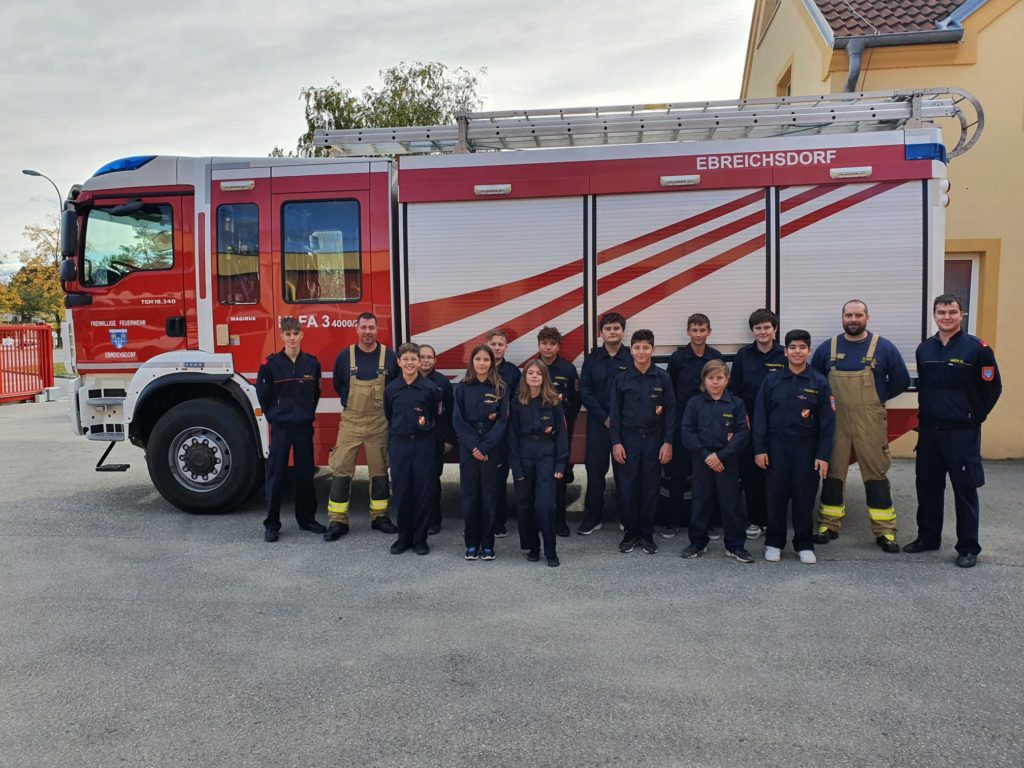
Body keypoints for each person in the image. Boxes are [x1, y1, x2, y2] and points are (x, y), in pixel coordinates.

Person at [905, 294, 1002, 568]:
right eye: (941, 312)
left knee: (965, 489)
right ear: (934, 315)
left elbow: (992, 388)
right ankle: (928, 538)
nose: (946, 317)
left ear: (962, 315)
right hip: (930, 432)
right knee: (927, 487)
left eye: (952, 312)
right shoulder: (925, 349)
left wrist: (974, 416)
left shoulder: (977, 349)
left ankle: (968, 547)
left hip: (961, 433)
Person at [810, 300, 910, 552]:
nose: (853, 319)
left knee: (875, 474)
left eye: (858, 315)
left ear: (867, 317)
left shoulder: (884, 347)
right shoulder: (827, 348)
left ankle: (885, 531)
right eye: (849, 315)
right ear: (842, 317)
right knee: (833, 472)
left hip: (870, 420)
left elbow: (901, 380)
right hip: (836, 419)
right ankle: (828, 525)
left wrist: (878, 398)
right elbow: (813, 381)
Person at [754, 329, 835, 564]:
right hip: (776, 448)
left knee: (804, 498)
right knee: (775, 497)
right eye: (792, 347)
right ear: (785, 351)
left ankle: (804, 544)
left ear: (809, 351)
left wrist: (823, 455)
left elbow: (828, 422)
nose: (797, 351)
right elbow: (760, 416)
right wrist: (760, 449)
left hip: (806, 449)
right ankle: (774, 543)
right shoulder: (772, 381)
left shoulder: (819, 382)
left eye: (802, 347)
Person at [325, 312, 400, 541]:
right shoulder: (344, 357)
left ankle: (380, 517)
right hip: (351, 421)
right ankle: (337, 521)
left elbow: (395, 389)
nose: (368, 332)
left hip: (379, 421)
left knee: (379, 471)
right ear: (356, 329)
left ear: (377, 330)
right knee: (341, 468)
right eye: (364, 328)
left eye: (371, 328)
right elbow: (338, 385)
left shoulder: (389, 357)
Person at [255, 317, 325, 542]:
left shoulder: (312, 364)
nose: (292, 338)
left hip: (303, 427)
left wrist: (305, 413)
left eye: (296, 333)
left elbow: (315, 394)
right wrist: (275, 417)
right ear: (282, 336)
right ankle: (272, 525)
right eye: (288, 334)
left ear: (302, 334)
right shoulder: (270, 365)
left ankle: (307, 520)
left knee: (305, 475)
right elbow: (263, 396)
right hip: (281, 428)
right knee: (276, 475)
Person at [680, 360, 753, 563]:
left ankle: (735, 546)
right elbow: (687, 432)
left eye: (719, 378)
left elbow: (742, 433)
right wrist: (706, 456)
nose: (715, 382)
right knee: (700, 503)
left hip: (727, 461)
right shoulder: (694, 403)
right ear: (704, 380)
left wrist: (720, 456)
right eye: (711, 378)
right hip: (702, 461)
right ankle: (697, 543)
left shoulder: (736, 404)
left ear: (727, 380)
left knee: (731, 504)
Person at [610, 329, 676, 555]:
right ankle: (630, 533)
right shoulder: (621, 379)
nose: (641, 352)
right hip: (628, 440)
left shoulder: (663, 378)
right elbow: (615, 414)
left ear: (653, 349)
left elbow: (671, 413)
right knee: (627, 488)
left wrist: (668, 442)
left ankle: (647, 534)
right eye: (637, 348)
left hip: (654, 440)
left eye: (646, 347)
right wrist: (616, 442)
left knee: (650, 488)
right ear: (631, 350)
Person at [665, 313, 725, 539]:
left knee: (707, 476)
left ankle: (709, 523)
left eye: (702, 330)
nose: (698, 334)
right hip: (683, 423)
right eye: (694, 330)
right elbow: (670, 392)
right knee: (678, 475)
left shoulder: (716, 357)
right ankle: (673, 522)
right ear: (688, 332)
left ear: (709, 332)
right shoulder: (678, 358)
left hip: (709, 423)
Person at [729, 309, 786, 540]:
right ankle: (757, 521)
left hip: (778, 425)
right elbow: (735, 391)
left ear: (775, 329)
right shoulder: (743, 356)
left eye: (766, 327)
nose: (762, 332)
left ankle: (775, 521)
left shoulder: (785, 355)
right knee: (751, 474)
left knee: (777, 475)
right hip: (750, 424)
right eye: (758, 328)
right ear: (752, 331)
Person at [509, 359, 570, 567]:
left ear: (544, 377)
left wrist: (560, 464)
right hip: (524, 455)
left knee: (546, 505)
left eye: (538, 373)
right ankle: (533, 547)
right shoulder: (516, 402)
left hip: (546, 455)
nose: (534, 376)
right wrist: (516, 467)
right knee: (525, 505)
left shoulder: (553, 402)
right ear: (524, 377)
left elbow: (561, 434)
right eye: (530, 373)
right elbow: (512, 436)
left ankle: (551, 551)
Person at [453, 344, 509, 561]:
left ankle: (487, 544)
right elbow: (457, 420)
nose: (482, 363)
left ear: (492, 363)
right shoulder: (462, 388)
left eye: (486, 360)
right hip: (469, 446)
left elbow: (503, 421)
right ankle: (471, 544)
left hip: (491, 447)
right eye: (478, 359)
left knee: (489, 495)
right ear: (472, 362)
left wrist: (485, 446)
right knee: (470, 495)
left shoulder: (500, 388)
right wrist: (475, 446)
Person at [578, 312, 632, 535]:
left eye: (616, 328)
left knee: (625, 473)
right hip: (598, 424)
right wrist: (604, 417)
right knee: (595, 472)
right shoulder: (592, 359)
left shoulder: (631, 358)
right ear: (601, 333)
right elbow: (585, 391)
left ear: (623, 332)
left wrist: (617, 419)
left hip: (625, 425)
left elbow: (634, 392)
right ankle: (593, 518)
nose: (612, 332)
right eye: (608, 328)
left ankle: (627, 518)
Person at [384, 342, 440, 556]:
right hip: (400, 445)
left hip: (423, 444)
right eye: (405, 359)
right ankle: (403, 538)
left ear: (419, 362)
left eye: (414, 359)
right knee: (401, 492)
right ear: (399, 362)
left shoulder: (430, 388)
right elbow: (389, 414)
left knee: (423, 493)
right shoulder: (391, 389)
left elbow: (434, 414)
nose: (410, 363)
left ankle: (420, 539)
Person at [536, 326, 580, 537]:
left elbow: (575, 400)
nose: (548, 347)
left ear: (558, 346)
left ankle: (560, 521)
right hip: (536, 433)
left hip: (560, 432)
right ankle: (539, 520)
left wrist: (562, 423)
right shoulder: (532, 368)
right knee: (538, 477)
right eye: (544, 343)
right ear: (539, 345)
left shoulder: (568, 370)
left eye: (552, 344)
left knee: (559, 475)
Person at [487, 329, 521, 539]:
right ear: (487, 345)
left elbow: (519, 400)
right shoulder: (478, 366)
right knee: (484, 479)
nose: (497, 348)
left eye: (501, 344)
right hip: (484, 433)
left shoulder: (512, 372)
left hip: (505, 433)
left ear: (506, 347)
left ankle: (499, 521)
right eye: (494, 344)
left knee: (500, 479)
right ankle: (484, 520)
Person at [418, 344, 456, 535]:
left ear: (435, 360)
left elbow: (450, 413)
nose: (425, 360)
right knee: (413, 481)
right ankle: (417, 519)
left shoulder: (442, 382)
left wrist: (449, 439)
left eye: (429, 357)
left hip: (435, 439)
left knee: (432, 482)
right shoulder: (406, 379)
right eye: (422, 357)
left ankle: (433, 521)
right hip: (413, 441)